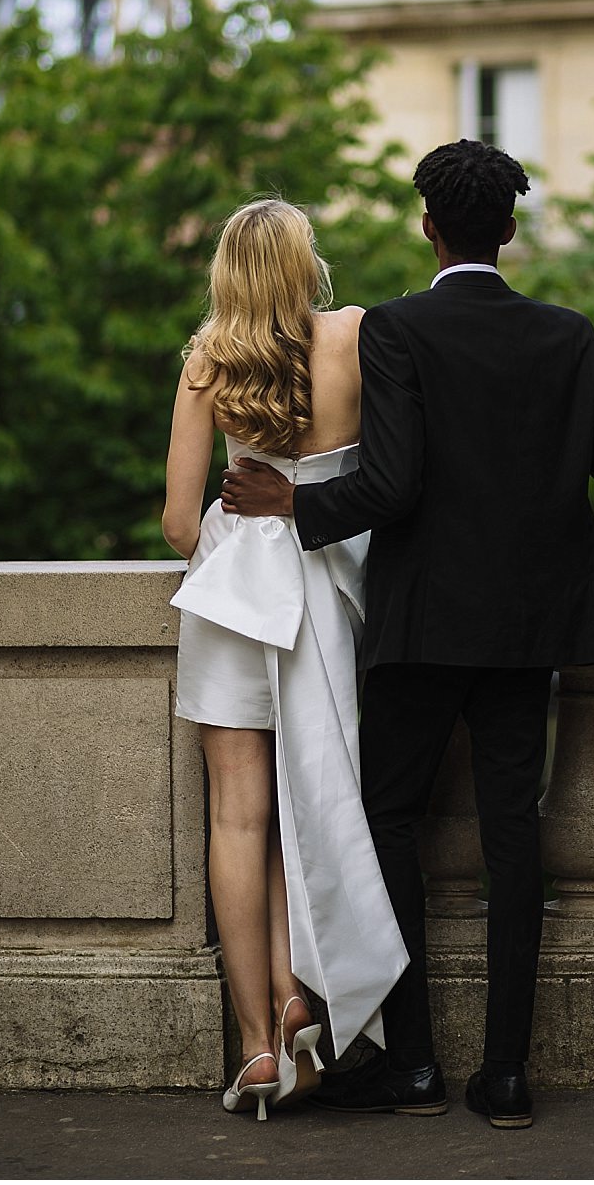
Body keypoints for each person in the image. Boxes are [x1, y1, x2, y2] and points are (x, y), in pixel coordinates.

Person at [221, 140, 594, 1130]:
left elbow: (394, 485)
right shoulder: (568, 334)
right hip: (526, 628)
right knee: (516, 838)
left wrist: (288, 501)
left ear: (429, 227)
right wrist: (577, 565)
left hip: (420, 627)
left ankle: (411, 1060)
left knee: (387, 822)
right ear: (510, 230)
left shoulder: (401, 329)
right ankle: (506, 1075)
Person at [162, 199, 408, 1124]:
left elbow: (181, 521)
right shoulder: (352, 338)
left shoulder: (208, 362)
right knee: (317, 803)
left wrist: (234, 555)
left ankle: (261, 1043)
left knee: (240, 821)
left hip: (235, 599)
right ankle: (307, 990)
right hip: (328, 590)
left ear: (227, 273)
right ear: (307, 265)